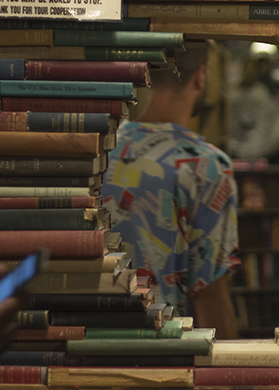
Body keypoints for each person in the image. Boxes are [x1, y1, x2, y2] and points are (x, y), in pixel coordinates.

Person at [101, 41, 241, 338]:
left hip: (83, 343)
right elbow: (209, 297)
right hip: (163, 351)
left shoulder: (98, 150)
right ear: (201, 77)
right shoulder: (206, 165)